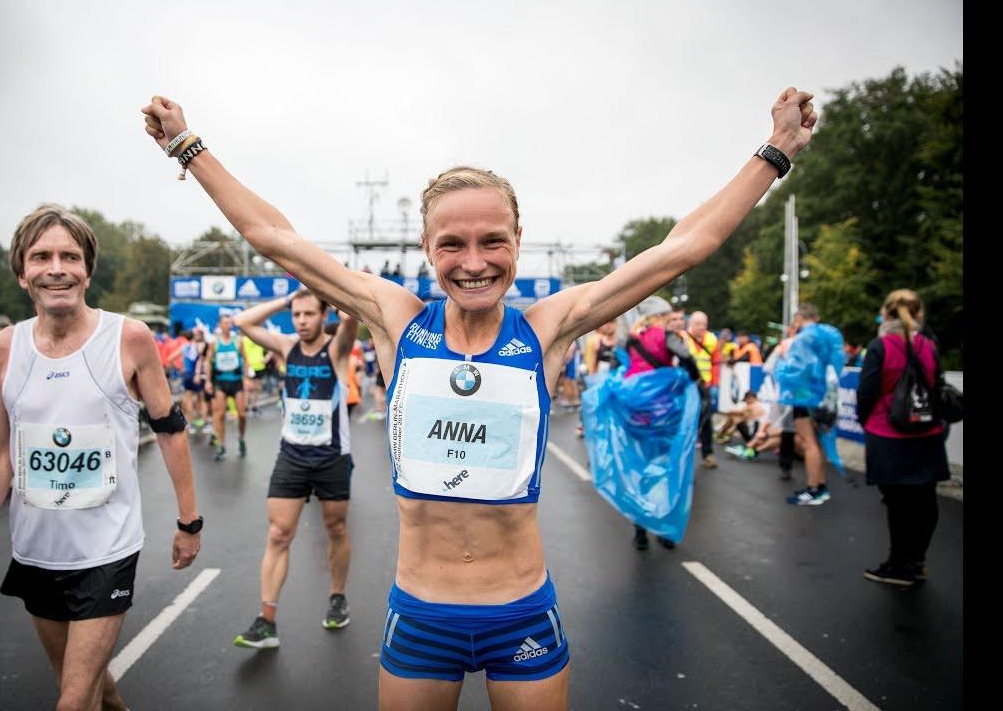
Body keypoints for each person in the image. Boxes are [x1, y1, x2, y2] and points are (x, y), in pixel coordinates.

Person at [142, 85, 817, 710]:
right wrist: (187, 148)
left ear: (517, 242)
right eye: (452, 244)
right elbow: (274, 239)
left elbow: (683, 249)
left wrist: (776, 152)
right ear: (426, 247)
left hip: (520, 610)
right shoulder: (395, 319)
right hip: (422, 612)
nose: (474, 261)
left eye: (493, 241)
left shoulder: (547, 330)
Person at [0, 204, 202, 711]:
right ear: (22, 273)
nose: (57, 267)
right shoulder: (3, 349)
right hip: (36, 550)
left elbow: (171, 429)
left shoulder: (128, 338)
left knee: (72, 701)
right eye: (41, 256)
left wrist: (189, 522)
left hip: (106, 551)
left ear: (88, 269)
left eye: (70, 255)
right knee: (91, 686)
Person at [228, 291, 361, 648]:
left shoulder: (336, 349)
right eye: (297, 314)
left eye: (308, 314)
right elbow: (242, 322)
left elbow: (351, 318)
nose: (301, 320)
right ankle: (266, 620)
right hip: (292, 455)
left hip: (332, 455)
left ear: (321, 315)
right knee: (277, 534)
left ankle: (337, 595)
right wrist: (285, 300)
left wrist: (328, 294)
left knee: (335, 528)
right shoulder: (286, 347)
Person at [856, 289, 950, 586]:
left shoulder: (881, 346)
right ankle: (917, 561)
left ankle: (898, 565)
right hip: (927, 433)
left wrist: (866, 421)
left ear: (886, 311)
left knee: (897, 503)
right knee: (925, 501)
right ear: (918, 312)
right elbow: (937, 387)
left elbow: (867, 392)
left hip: (888, 434)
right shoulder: (929, 344)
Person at [620, 295, 700, 551]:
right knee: (666, 467)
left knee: (640, 468)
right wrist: (689, 379)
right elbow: (687, 358)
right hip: (663, 413)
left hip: (635, 413)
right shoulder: (666, 336)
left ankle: (639, 531)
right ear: (661, 316)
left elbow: (617, 366)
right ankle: (664, 529)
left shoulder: (630, 338)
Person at [774, 303, 845, 505]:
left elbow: (796, 369)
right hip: (823, 396)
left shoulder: (804, 337)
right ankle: (820, 485)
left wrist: (782, 362)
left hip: (805, 396)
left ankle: (813, 488)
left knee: (808, 442)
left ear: (798, 319)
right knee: (818, 442)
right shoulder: (825, 335)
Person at [681, 311, 721, 469]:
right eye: (698, 324)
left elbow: (716, 362)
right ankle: (684, 456)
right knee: (687, 419)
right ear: (691, 323)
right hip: (688, 386)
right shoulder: (682, 338)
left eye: (704, 324)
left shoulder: (711, 339)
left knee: (706, 421)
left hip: (705, 385)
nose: (702, 327)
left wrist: (714, 383)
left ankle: (708, 454)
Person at [208, 313, 248, 460]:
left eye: (230, 323)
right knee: (221, 414)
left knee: (242, 414)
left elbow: (245, 359)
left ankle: (241, 439)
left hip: (236, 381)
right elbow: (208, 361)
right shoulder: (214, 343)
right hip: (220, 381)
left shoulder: (238, 341)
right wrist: (207, 381)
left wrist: (247, 377)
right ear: (219, 325)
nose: (228, 325)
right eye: (225, 323)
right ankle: (221, 445)